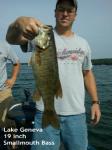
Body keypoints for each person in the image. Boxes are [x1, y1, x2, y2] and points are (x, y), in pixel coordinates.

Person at [6, 0, 101, 150]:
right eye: (61, 9)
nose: (65, 13)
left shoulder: (83, 43)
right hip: (44, 111)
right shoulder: (37, 38)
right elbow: (10, 38)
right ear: (55, 12)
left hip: (76, 114)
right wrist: (20, 22)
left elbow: (87, 74)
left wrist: (95, 102)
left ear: (75, 15)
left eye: (69, 11)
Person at [0, 41, 20, 127]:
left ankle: (13, 141)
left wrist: (13, 79)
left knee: (8, 121)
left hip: (3, 92)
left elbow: (16, 62)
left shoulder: (4, 46)